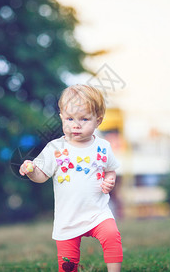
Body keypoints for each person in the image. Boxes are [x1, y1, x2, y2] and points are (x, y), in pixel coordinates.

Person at [19, 84, 123, 272]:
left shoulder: (103, 147)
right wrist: (31, 170)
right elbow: (41, 176)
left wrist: (110, 179)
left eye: (84, 119)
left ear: (98, 120)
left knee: (111, 234)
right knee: (68, 264)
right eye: (70, 118)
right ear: (61, 118)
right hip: (68, 217)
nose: (76, 124)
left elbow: (111, 169)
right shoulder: (54, 148)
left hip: (97, 212)